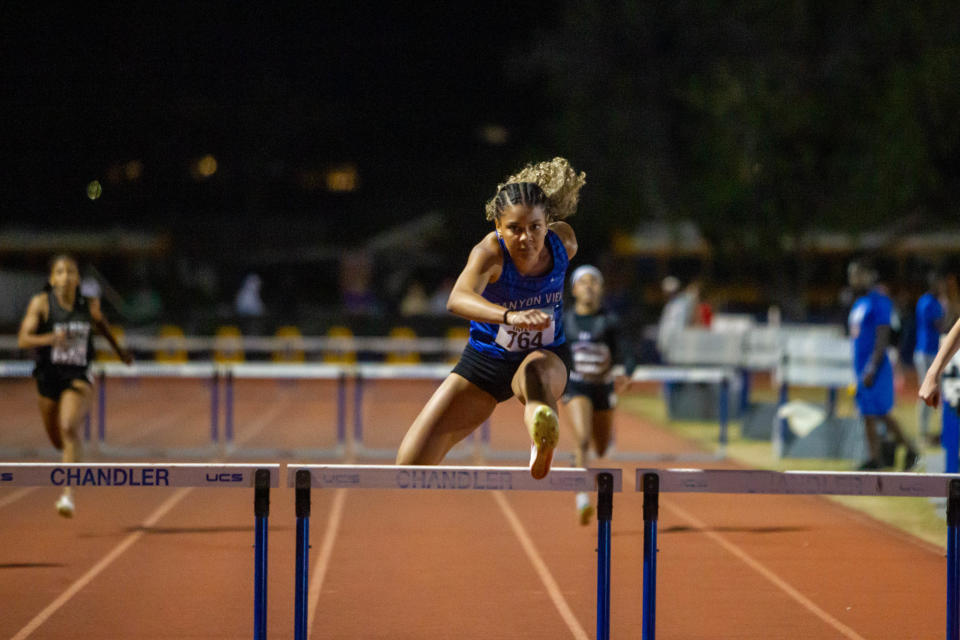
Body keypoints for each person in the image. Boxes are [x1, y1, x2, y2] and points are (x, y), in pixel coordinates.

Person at [396, 157, 585, 479]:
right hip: (486, 362)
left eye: (535, 228)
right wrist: (510, 317)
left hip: (546, 356)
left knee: (534, 375)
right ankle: (540, 423)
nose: (526, 238)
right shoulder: (489, 253)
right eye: (514, 229)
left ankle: (542, 437)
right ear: (498, 228)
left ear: (548, 223)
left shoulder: (564, 243)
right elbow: (458, 298)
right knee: (408, 467)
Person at [17, 254, 132, 517]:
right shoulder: (41, 304)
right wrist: (50, 338)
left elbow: (103, 327)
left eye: (71, 271)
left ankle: (68, 495)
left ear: (78, 278)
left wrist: (120, 353)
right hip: (48, 378)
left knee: (68, 426)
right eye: (60, 271)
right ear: (52, 279)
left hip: (78, 376)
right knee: (58, 441)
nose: (66, 276)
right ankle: (72, 453)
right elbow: (24, 339)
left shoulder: (88, 305)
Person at [562, 264, 634, 524]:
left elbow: (626, 351)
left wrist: (627, 372)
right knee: (582, 439)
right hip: (576, 386)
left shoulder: (610, 321)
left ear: (602, 289)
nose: (589, 286)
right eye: (584, 282)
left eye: (594, 282)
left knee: (601, 448)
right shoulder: (564, 320)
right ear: (574, 289)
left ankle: (579, 459)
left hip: (602, 388)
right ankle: (582, 496)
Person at [846, 259, 918, 470]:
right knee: (866, 413)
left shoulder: (879, 301)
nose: (852, 279)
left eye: (856, 274)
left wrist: (871, 367)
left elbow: (883, 336)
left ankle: (910, 449)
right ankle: (874, 458)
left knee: (881, 412)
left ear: (868, 274)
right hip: (861, 367)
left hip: (875, 368)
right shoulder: (859, 303)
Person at [914, 270, 946, 444]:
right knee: (926, 390)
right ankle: (923, 431)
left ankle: (940, 430)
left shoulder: (935, 302)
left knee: (940, 392)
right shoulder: (927, 302)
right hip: (926, 352)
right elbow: (940, 325)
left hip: (935, 352)